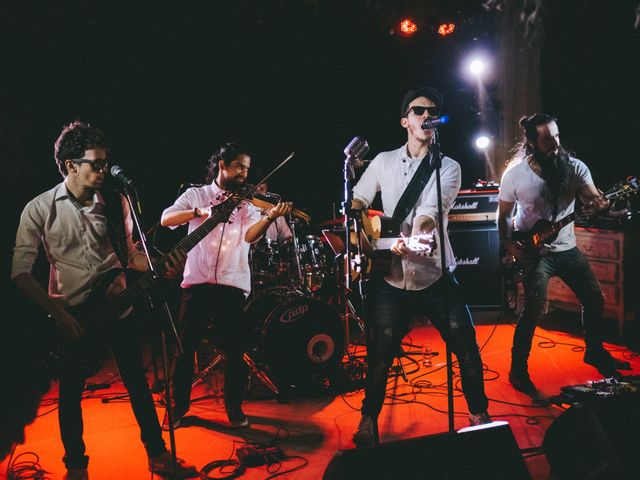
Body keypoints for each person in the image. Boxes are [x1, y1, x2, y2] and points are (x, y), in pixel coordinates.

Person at [11, 121, 197, 480]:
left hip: (119, 305)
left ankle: (157, 455)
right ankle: (76, 468)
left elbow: (129, 254)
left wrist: (161, 265)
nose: (103, 170)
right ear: (70, 165)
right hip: (73, 315)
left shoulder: (116, 201)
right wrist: (57, 313)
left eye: (104, 162)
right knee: (70, 396)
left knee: (138, 385)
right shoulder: (39, 209)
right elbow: (19, 271)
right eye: (95, 163)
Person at [350, 87, 490, 447]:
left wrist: (416, 235)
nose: (427, 116)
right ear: (405, 120)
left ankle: (479, 415)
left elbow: (431, 212)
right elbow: (359, 200)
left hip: (436, 274)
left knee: (467, 350)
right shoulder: (381, 161)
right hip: (392, 277)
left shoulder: (449, 166)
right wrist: (370, 232)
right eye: (418, 110)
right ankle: (368, 419)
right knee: (379, 355)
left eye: (433, 112)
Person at [498, 114, 631, 396]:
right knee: (534, 310)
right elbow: (504, 215)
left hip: (567, 248)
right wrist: (508, 244)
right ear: (532, 142)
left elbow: (593, 199)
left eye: (557, 136)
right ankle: (517, 370)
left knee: (594, 298)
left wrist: (601, 204)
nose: (555, 144)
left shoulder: (575, 168)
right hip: (533, 252)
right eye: (547, 139)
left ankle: (594, 351)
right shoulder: (515, 175)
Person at [160, 143, 291, 428]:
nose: (244, 173)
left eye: (246, 168)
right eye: (239, 167)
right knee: (185, 350)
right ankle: (178, 408)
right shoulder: (197, 195)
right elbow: (166, 218)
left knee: (234, 352)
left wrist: (270, 216)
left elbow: (250, 237)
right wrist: (199, 212)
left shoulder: (245, 203)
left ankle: (234, 408)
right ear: (222, 165)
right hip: (196, 284)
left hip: (231, 285)